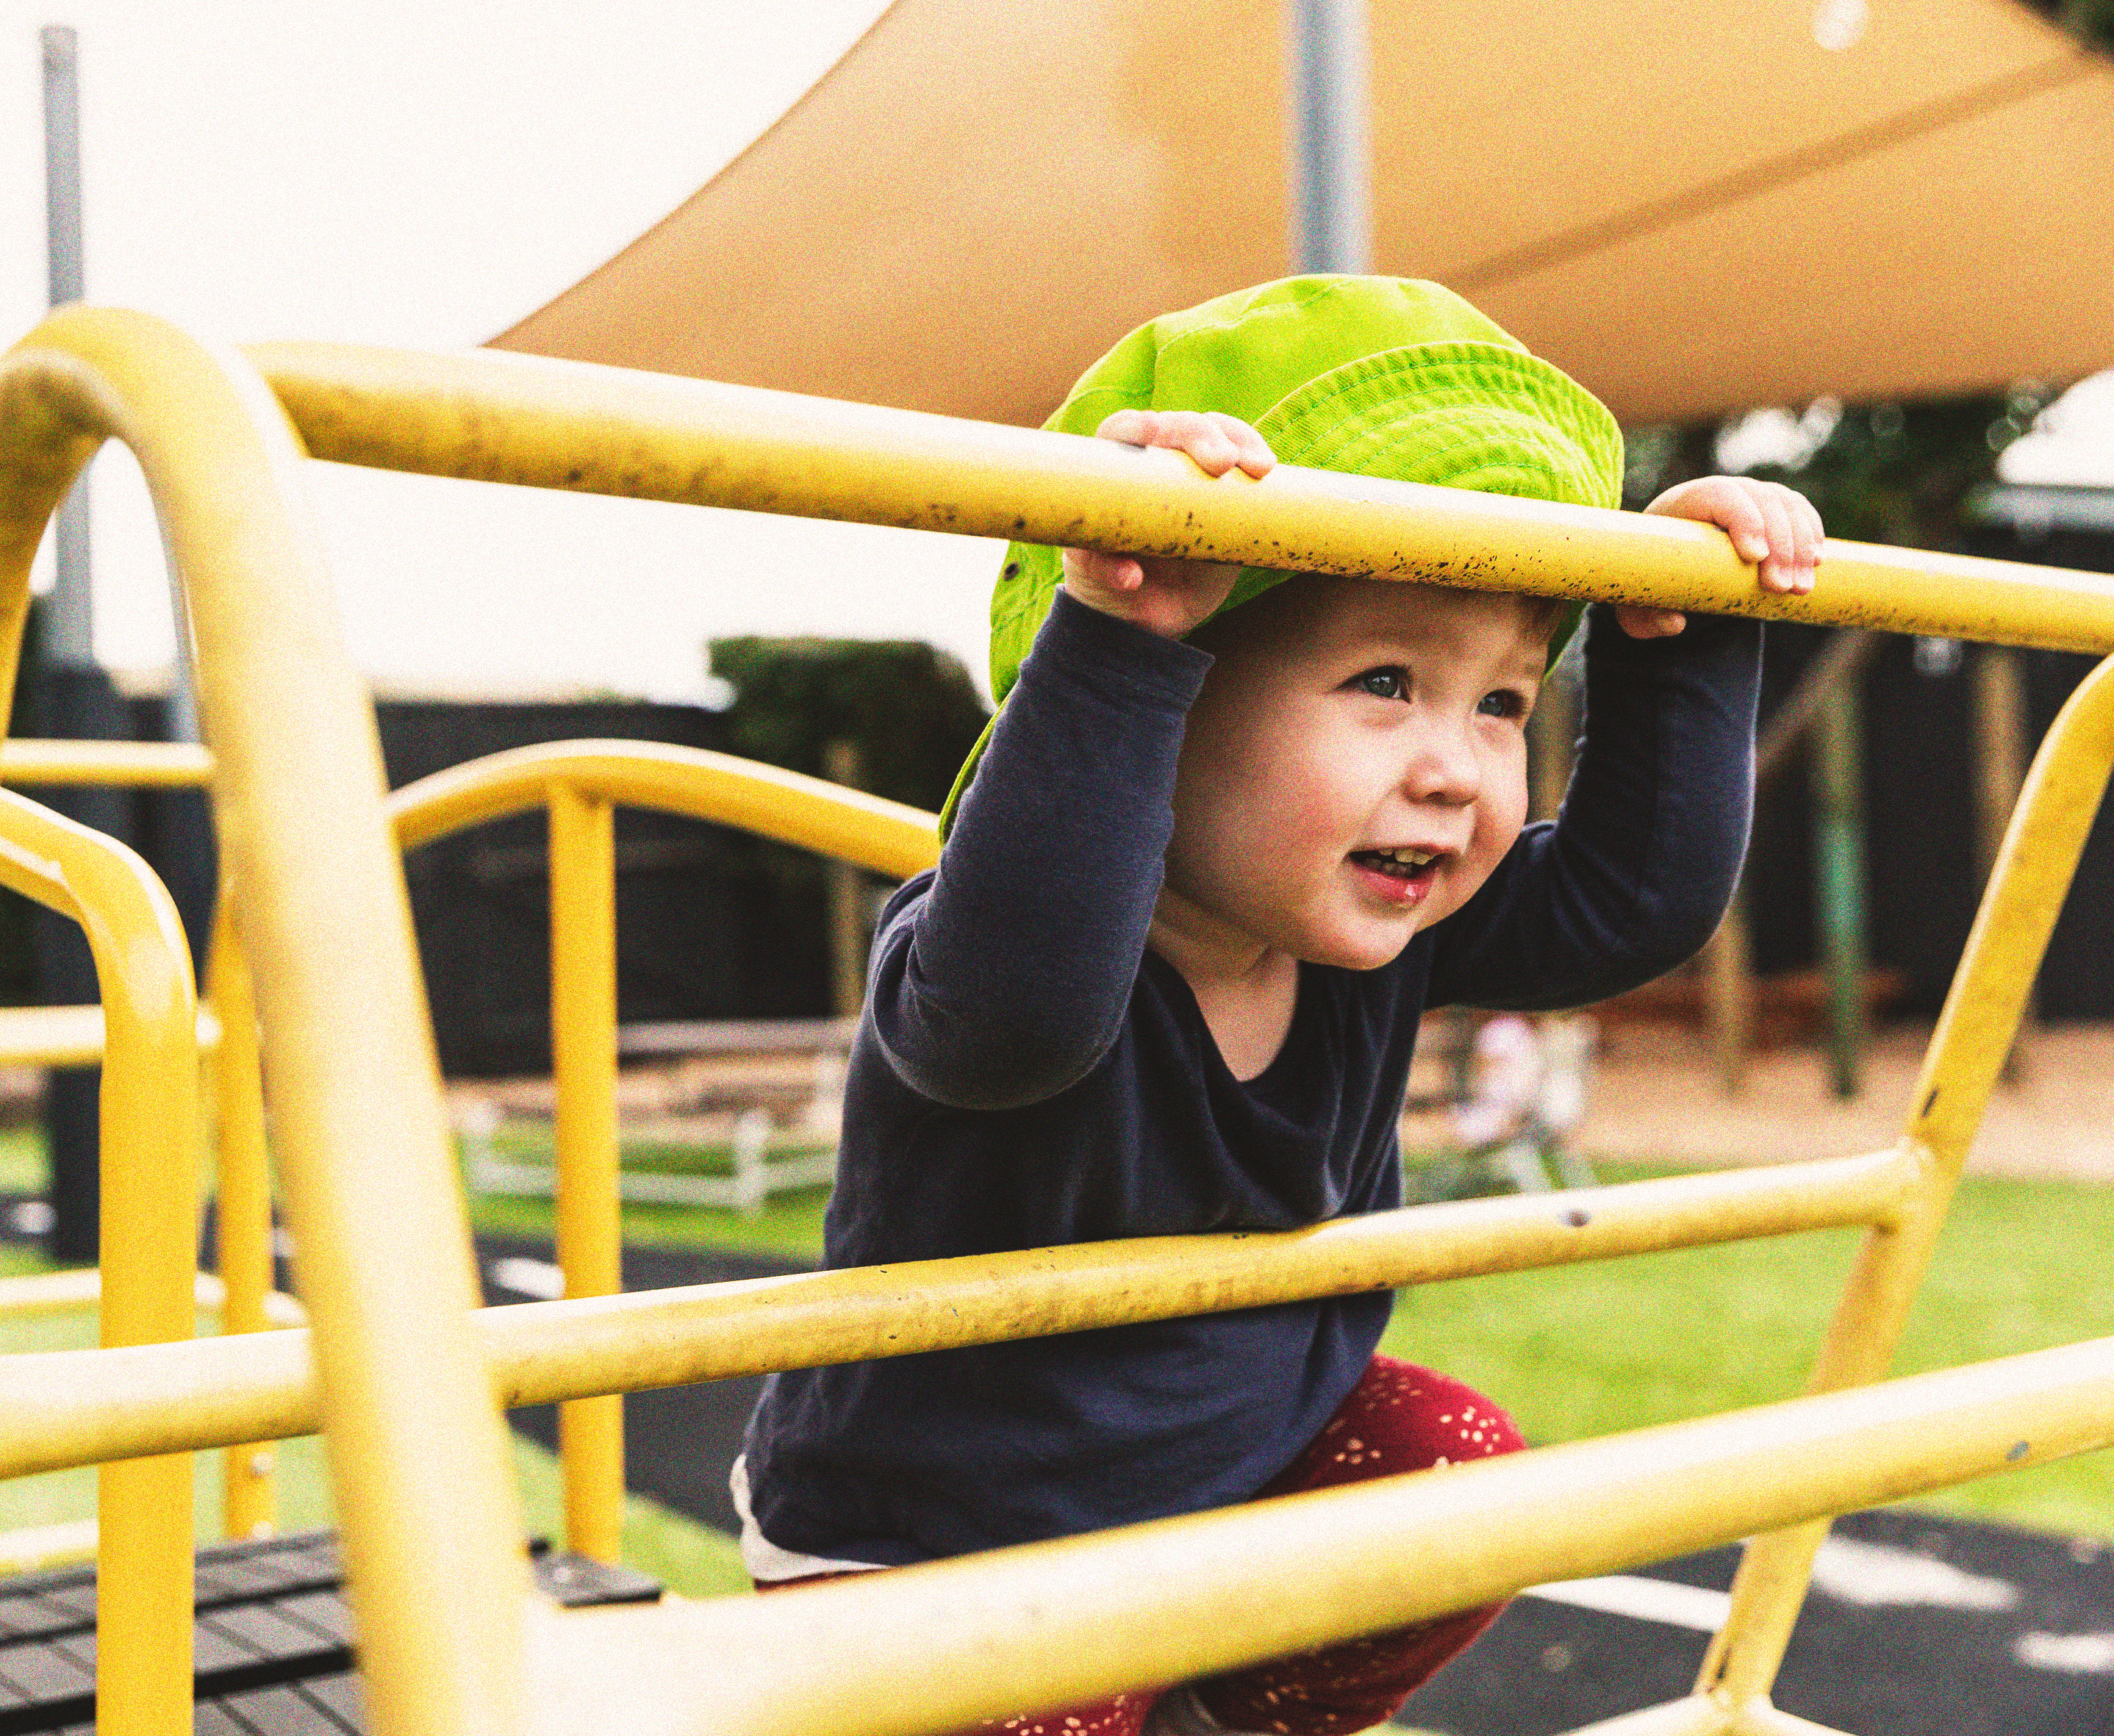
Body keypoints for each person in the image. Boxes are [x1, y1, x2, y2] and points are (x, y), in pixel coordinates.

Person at [733, 276, 1821, 1736]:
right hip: (937, 1544)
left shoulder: (1374, 923)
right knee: (1038, 1706)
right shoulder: (1007, 943)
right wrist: (1117, 626)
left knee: (1448, 1461)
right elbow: (1024, 1008)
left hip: (1215, 1493)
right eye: (1386, 680)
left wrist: (1675, 631)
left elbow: (1631, 906)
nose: (1457, 767)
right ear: (1158, 702)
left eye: (1499, 703)